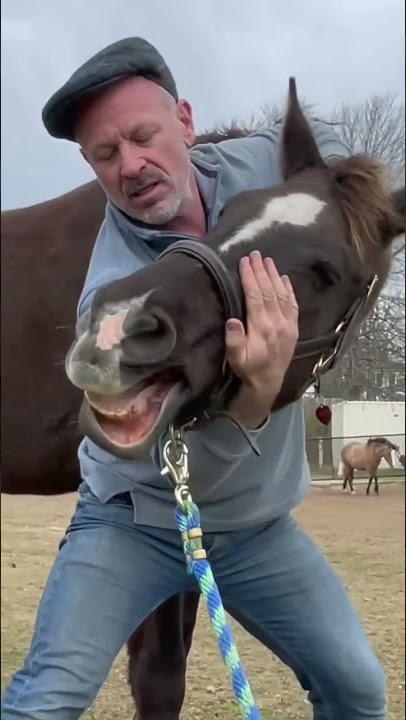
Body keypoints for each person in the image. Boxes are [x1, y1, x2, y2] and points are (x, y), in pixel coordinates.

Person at [2, 37, 386, 720]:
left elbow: (322, 146)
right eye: (105, 155)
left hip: (255, 529)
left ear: (185, 121)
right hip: (133, 523)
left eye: (143, 137)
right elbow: (164, 457)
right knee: (43, 700)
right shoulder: (111, 299)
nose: (132, 167)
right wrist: (256, 397)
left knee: (358, 688)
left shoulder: (253, 169)